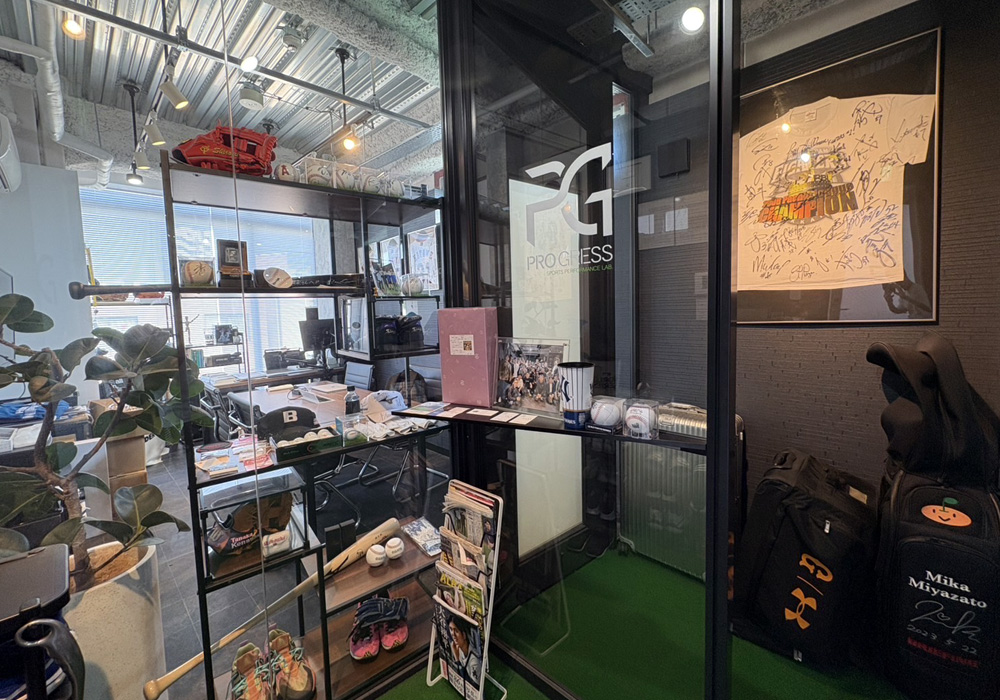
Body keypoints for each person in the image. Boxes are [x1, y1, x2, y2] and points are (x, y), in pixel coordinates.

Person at [448, 616, 482, 686]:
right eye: (451, 629)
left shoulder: (474, 660)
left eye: (456, 631)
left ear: (464, 635)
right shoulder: (456, 648)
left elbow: (472, 686)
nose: (453, 634)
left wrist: (457, 660)